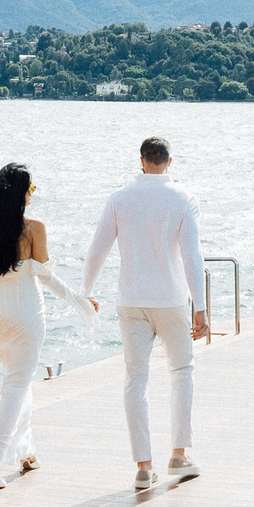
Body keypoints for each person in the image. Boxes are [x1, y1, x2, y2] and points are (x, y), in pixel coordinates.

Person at [83, 134, 208, 489]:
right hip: (170, 299)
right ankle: (179, 455)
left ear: (141, 161)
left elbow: (97, 250)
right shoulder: (182, 198)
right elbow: (191, 256)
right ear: (170, 161)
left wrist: (86, 291)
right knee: (181, 371)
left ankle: (143, 465)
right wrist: (201, 308)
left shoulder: (120, 198)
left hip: (131, 300)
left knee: (135, 380)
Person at [0, 162, 96, 491]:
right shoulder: (34, 228)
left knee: (18, 382)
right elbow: (47, 278)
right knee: (17, 384)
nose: (32, 194)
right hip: (26, 314)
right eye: (31, 188)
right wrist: (81, 301)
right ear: (21, 193)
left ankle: (24, 452)